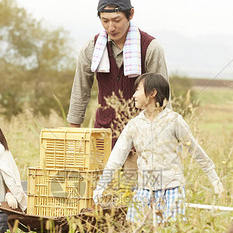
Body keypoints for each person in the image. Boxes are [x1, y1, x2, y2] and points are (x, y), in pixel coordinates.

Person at [93, 73, 224, 224]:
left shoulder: (174, 121)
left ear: (152, 93)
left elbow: (196, 151)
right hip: (143, 190)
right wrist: (100, 186)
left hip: (171, 189)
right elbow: (116, 158)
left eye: (138, 90)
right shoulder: (134, 125)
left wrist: (215, 180)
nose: (133, 95)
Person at [67, 0, 169, 150]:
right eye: (105, 21)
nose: (111, 27)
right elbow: (80, 92)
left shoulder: (150, 48)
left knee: (132, 174)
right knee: (104, 174)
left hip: (140, 138)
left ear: (131, 14)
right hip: (102, 136)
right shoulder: (91, 48)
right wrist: (74, 136)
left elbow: (162, 98)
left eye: (117, 20)